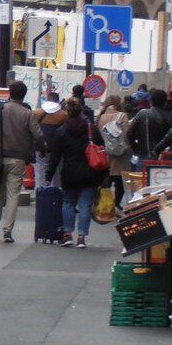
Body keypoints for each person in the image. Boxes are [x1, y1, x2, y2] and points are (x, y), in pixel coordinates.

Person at [0, 80, 46, 243]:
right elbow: (37, 135)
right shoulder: (27, 114)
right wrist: (43, 148)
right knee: (13, 195)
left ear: (10, 93)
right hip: (17, 160)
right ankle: (7, 231)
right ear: (24, 95)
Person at [44, 97, 106, 248]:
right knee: (85, 205)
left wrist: (49, 176)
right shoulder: (91, 129)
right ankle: (81, 238)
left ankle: (67, 235)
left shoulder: (62, 131)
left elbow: (55, 156)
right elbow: (102, 150)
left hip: (69, 173)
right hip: (89, 173)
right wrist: (105, 175)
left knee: (68, 203)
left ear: (67, 112)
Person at [97, 94, 130, 210]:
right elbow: (126, 134)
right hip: (121, 154)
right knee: (120, 181)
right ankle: (116, 203)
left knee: (106, 179)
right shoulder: (122, 116)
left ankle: (105, 203)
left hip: (105, 152)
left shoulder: (100, 117)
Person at [127, 87, 170, 168]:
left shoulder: (142, 114)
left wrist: (136, 150)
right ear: (165, 102)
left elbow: (129, 133)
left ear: (151, 101)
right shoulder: (168, 116)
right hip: (164, 157)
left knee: (141, 179)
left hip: (144, 155)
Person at [33, 96, 67, 189]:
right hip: (57, 146)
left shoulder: (37, 113)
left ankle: (39, 190)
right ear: (57, 101)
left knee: (39, 168)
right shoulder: (63, 114)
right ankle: (55, 190)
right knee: (56, 168)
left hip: (40, 146)